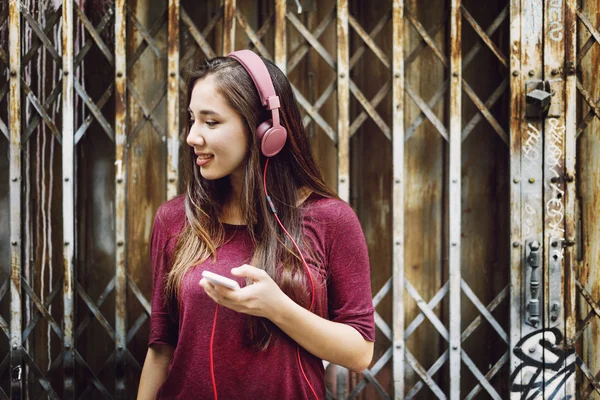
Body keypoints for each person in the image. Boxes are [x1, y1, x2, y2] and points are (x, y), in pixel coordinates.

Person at [137, 50, 375, 400]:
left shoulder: (331, 220)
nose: (192, 137)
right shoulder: (174, 219)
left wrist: (277, 308)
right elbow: (161, 349)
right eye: (192, 120)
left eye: (211, 122)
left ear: (266, 130)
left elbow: (359, 352)